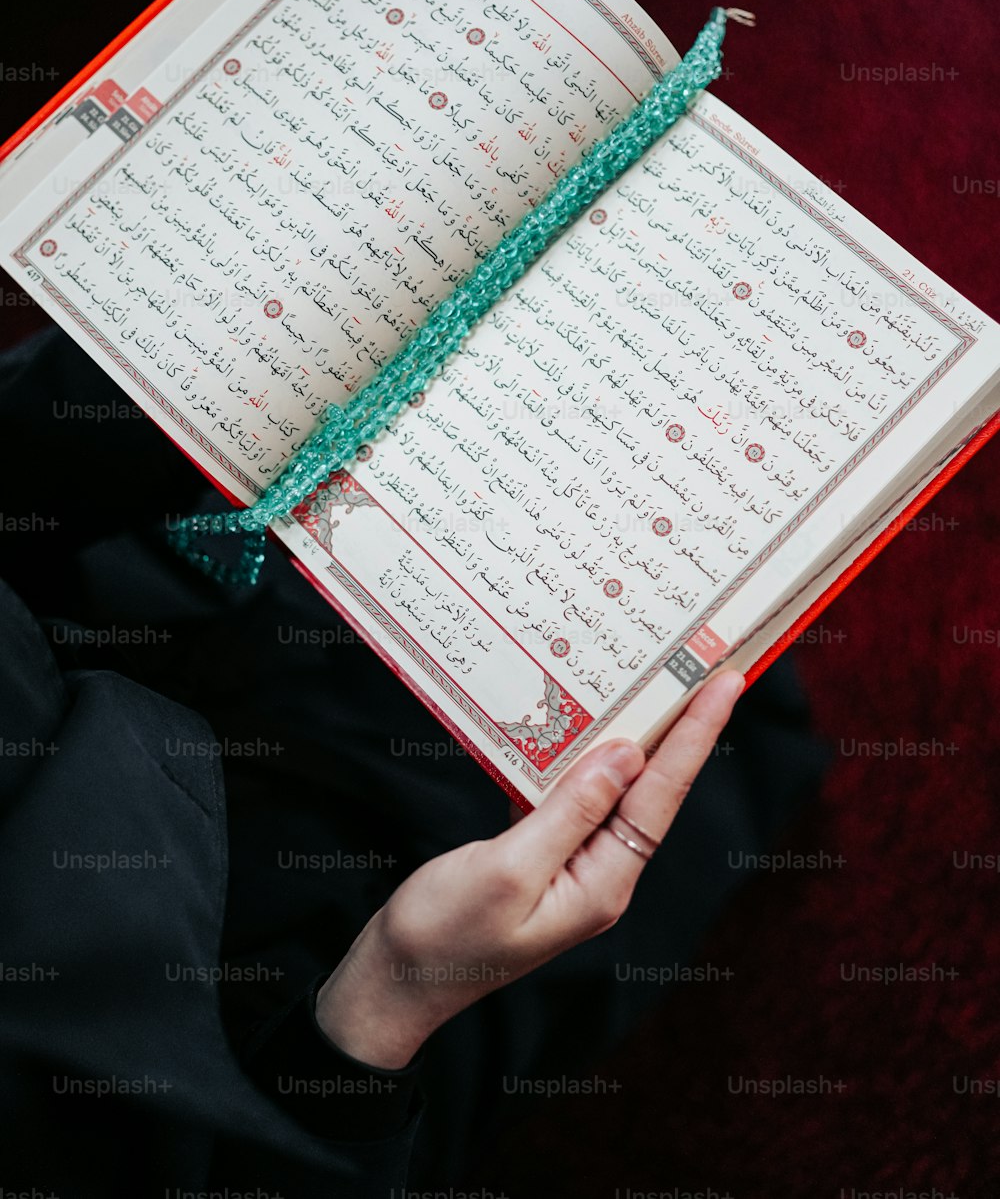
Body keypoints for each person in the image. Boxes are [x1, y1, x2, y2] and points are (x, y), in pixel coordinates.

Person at [0, 324, 829, 1196]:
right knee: (652, 795)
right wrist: (391, 993)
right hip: (248, 999)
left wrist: (168, 376)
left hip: (106, 610)